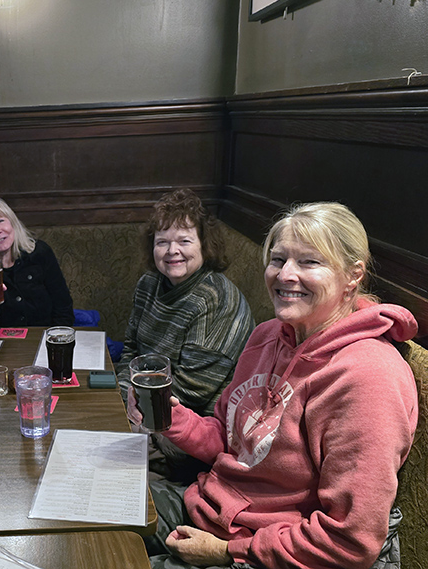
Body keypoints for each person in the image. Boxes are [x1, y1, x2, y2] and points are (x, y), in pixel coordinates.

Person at [128, 202, 418, 569]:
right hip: (207, 505)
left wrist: (225, 552)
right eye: (279, 260)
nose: (286, 275)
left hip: (260, 549)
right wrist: (173, 419)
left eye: (309, 262)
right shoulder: (268, 336)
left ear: (353, 275)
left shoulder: (368, 377)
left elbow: (350, 541)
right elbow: (229, 439)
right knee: (89, 498)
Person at [116, 189, 254, 479]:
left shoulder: (216, 299)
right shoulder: (149, 284)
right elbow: (131, 351)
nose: (171, 251)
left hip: (186, 442)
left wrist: (129, 414)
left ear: (205, 245)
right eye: (162, 242)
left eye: (184, 240)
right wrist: (121, 400)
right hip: (144, 413)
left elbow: (191, 392)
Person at [0, 195, 74, 328]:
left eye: (1, 220)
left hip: (44, 338)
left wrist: (54, 340)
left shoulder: (40, 253)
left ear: (12, 223)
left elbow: (63, 308)